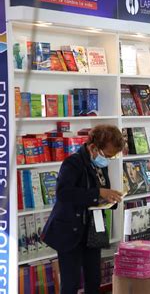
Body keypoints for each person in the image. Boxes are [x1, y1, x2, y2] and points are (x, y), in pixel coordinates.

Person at [42, 125, 124, 294]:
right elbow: (64, 194)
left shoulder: (100, 164)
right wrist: (98, 193)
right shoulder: (72, 163)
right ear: (93, 147)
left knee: (94, 280)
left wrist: (110, 198)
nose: (108, 159)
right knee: (70, 283)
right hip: (69, 231)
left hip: (92, 231)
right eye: (107, 155)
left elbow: (100, 193)